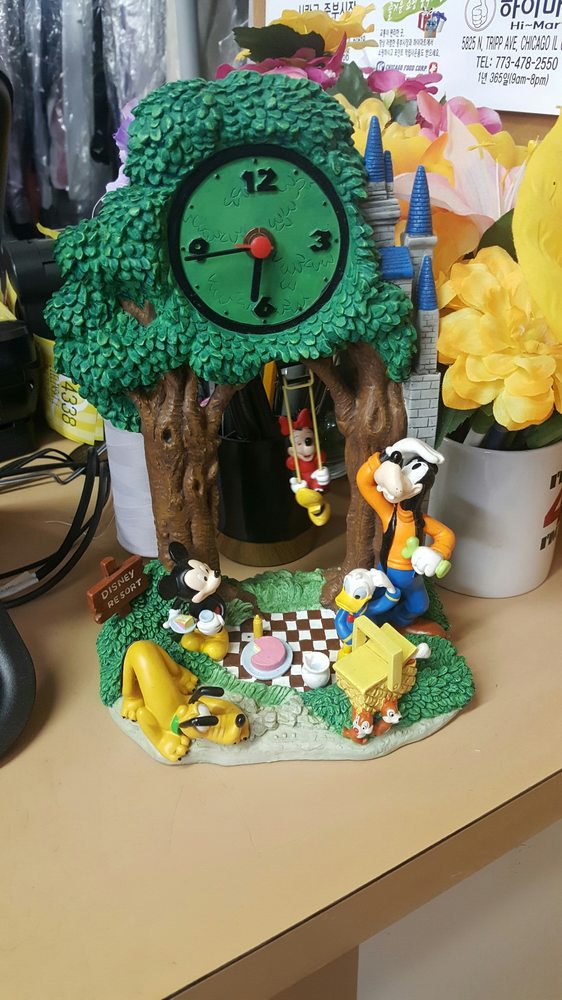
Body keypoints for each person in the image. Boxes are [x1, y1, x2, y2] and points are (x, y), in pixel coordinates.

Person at [356, 437, 455, 628]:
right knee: (373, 601)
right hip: (386, 573)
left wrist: (438, 552)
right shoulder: (389, 514)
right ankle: (371, 624)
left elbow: (446, 535)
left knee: (419, 606)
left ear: (418, 489)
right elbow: (364, 482)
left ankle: (398, 625)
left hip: (412, 579)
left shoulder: (421, 521)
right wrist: (387, 455)